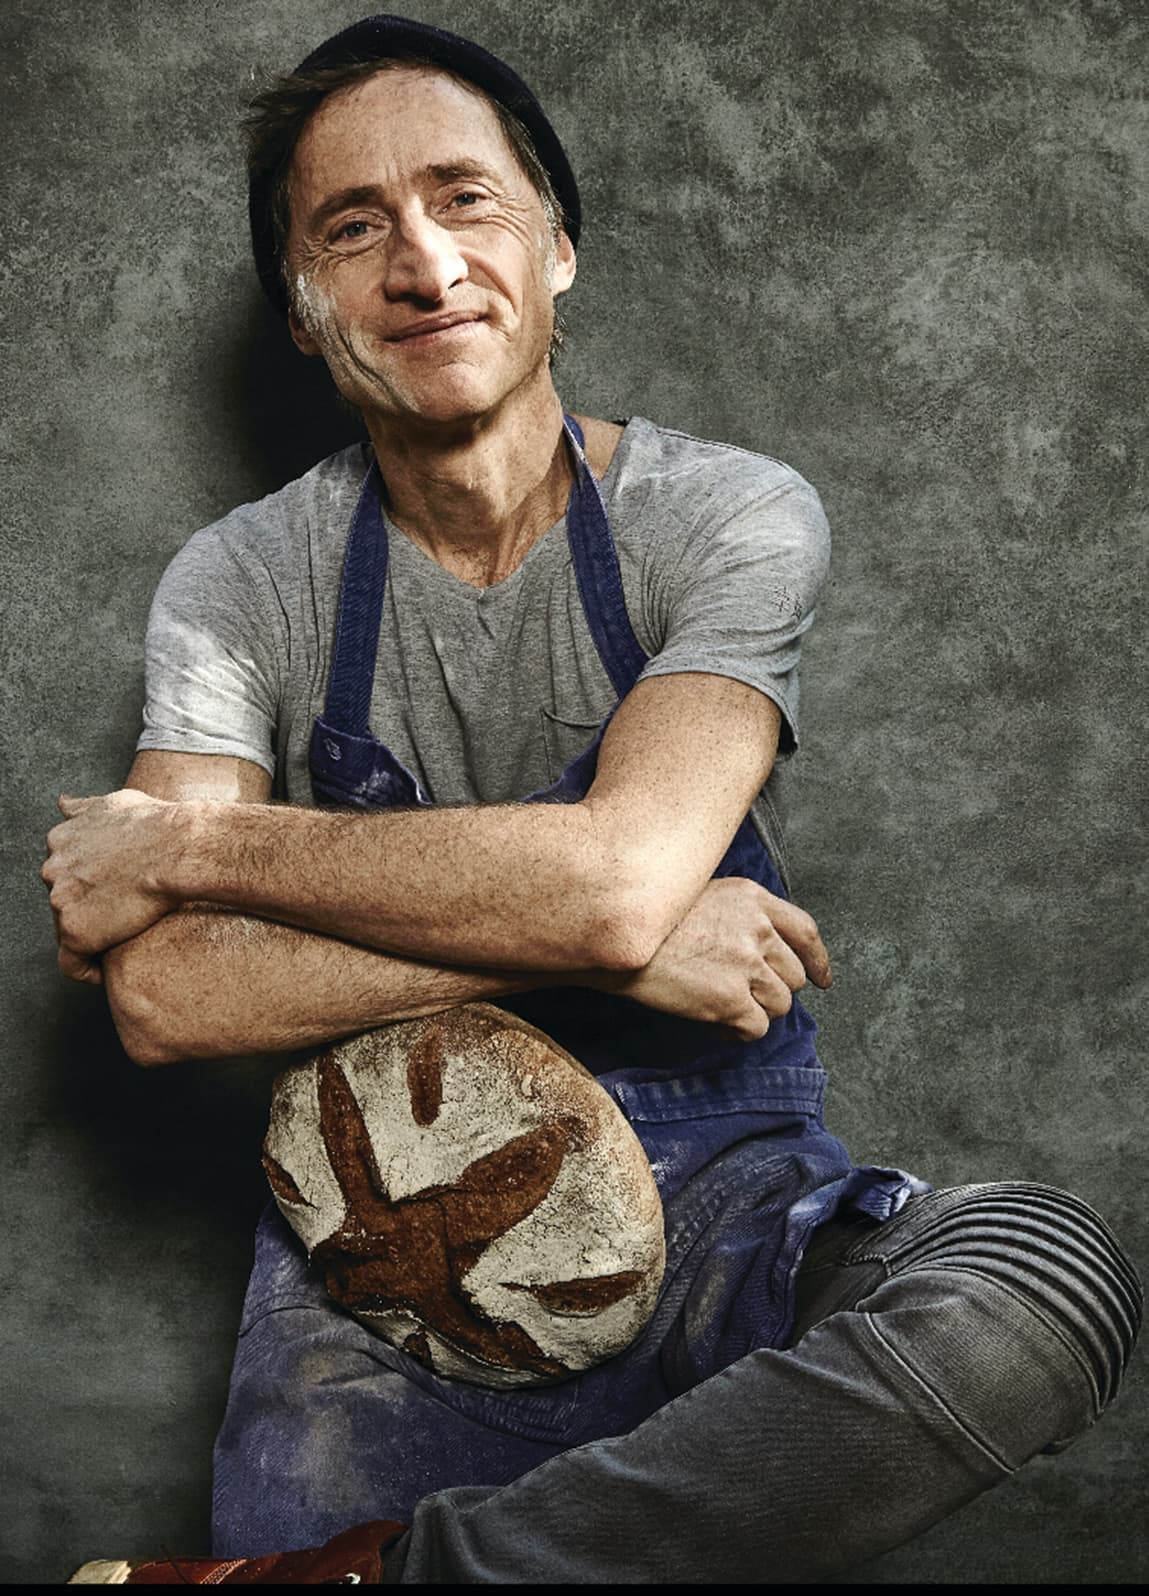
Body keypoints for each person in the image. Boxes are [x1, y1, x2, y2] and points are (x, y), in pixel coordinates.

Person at [48, 13, 1140, 1587]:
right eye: (351, 228)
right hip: (385, 1256)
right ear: (302, 310)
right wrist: (611, 946)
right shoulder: (241, 580)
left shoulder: (723, 514)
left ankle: (387, 1579)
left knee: (1034, 1294)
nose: (424, 264)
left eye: (465, 200)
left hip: (723, 1200)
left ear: (555, 249)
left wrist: (197, 841)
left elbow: (622, 878)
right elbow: (166, 996)